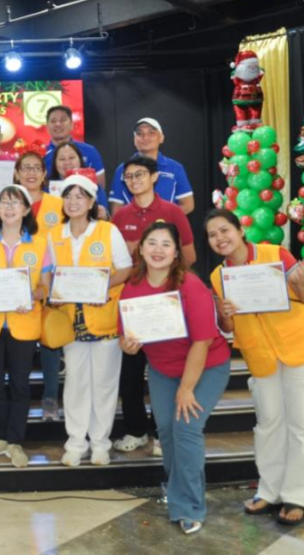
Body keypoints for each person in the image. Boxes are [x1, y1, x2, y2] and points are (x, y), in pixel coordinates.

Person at [206, 208, 304, 527]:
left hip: (301, 347)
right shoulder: (218, 276)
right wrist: (224, 312)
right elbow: (228, 326)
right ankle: (270, 490)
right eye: (212, 234)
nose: (220, 238)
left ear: (240, 230)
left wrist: (301, 283)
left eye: (224, 230)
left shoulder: (275, 254)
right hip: (261, 356)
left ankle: (298, 496)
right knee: (268, 424)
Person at [119, 221, 230, 536]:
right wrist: (127, 345)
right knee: (166, 431)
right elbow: (126, 339)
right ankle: (177, 486)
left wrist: (186, 389)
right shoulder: (132, 287)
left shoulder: (190, 285)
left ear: (176, 252)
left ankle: (189, 506)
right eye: (151, 243)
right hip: (162, 369)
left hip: (206, 366)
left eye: (166, 244)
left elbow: (203, 341)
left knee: (186, 427)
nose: (158, 250)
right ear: (141, 248)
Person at [110, 154, 196, 455]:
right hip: (133, 303)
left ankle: (163, 433)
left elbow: (190, 257)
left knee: (168, 370)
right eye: (129, 177)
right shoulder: (119, 217)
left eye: (140, 175)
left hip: (166, 302)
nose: (135, 181)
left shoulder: (172, 211)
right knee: (130, 373)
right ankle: (136, 429)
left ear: (154, 177)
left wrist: (161, 266)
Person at [45, 174, 133, 467]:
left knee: (105, 384)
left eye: (80, 197)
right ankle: (75, 442)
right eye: (68, 196)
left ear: (92, 201)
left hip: (104, 318)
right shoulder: (54, 234)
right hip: (71, 321)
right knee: (75, 383)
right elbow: (49, 274)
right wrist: (52, 291)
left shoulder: (107, 231)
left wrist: (100, 288)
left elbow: (125, 269)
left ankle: (100, 444)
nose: (73, 202)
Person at [0, 185, 50, 468]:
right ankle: (2, 436)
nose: (8, 207)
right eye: (3, 202)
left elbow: (46, 288)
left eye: (15, 202)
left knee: (20, 385)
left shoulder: (40, 244)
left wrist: (33, 295)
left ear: (27, 209)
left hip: (23, 323)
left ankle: (15, 440)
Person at [14, 150, 66, 421]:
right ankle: (16, 399)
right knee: (18, 342)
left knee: (49, 341)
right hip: (17, 286)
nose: (31, 172)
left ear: (45, 174)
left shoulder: (58, 204)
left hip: (52, 281)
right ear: (17, 173)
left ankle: (50, 398)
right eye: (26, 168)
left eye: (37, 168)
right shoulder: (8, 202)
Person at [110, 119, 195, 215]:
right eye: (139, 134)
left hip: (166, 228)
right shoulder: (122, 170)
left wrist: (163, 221)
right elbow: (116, 208)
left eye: (151, 133)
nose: (145, 137)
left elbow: (188, 204)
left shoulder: (175, 168)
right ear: (134, 140)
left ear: (161, 138)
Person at [43, 105, 106, 189]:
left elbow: (100, 187)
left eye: (63, 120)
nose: (58, 124)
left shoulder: (90, 151)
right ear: (47, 127)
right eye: (53, 121)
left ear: (72, 125)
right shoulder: (40, 155)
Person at [49, 141, 109, 220]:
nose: (67, 162)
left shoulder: (95, 188)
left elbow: (107, 220)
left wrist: (105, 216)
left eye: (71, 158)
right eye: (62, 159)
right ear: (55, 163)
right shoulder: (46, 189)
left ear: (80, 160)